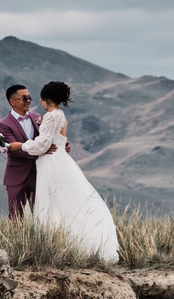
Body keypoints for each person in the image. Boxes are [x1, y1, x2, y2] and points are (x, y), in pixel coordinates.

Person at [16, 80, 119, 262]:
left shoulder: (50, 116)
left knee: (52, 202)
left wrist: (21, 146)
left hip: (51, 163)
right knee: (66, 202)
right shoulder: (61, 115)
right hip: (61, 160)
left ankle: (55, 246)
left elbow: (43, 144)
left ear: (44, 99)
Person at [0, 83, 44, 220]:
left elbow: (45, 140)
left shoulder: (37, 117)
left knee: (41, 214)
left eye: (29, 97)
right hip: (17, 176)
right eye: (24, 98)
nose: (28, 101)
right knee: (16, 216)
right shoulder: (4, 124)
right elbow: (15, 151)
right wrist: (41, 151)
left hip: (39, 174)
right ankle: (15, 241)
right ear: (12, 102)